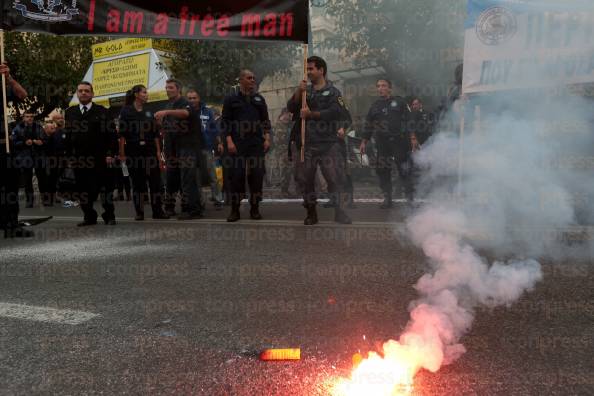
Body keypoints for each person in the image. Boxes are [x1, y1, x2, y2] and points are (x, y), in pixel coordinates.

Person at [287, 56, 352, 225]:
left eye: (311, 69)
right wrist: (298, 92)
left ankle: (339, 212)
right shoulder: (305, 91)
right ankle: (311, 213)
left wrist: (312, 114)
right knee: (305, 180)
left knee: (334, 179)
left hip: (328, 143)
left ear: (321, 70)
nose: (308, 72)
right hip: (306, 143)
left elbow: (337, 112)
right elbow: (291, 108)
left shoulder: (333, 92)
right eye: (307, 69)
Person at [64, 81, 118, 226]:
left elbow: (112, 134)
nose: (83, 93)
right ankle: (89, 216)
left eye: (86, 91)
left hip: (100, 157)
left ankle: (109, 215)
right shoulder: (70, 112)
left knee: (105, 189)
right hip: (79, 159)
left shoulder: (102, 111)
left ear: (92, 94)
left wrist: (110, 153)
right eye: (80, 91)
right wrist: (68, 156)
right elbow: (68, 135)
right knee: (83, 190)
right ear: (77, 93)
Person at [220, 69, 271, 222]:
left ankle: (254, 209)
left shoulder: (259, 99)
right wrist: (228, 141)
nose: (252, 80)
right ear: (241, 80)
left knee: (257, 174)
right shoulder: (231, 99)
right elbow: (225, 122)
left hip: (256, 142)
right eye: (249, 78)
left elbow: (265, 121)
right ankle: (235, 210)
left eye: (253, 78)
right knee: (236, 175)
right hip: (237, 142)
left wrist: (267, 138)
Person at [359, 78, 413, 208]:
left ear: (390, 88)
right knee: (383, 170)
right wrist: (364, 141)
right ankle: (387, 199)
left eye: (383, 86)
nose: (380, 88)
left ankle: (410, 199)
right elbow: (368, 125)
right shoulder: (375, 105)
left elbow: (409, 121)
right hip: (382, 143)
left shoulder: (400, 102)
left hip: (399, 141)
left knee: (404, 169)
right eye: (378, 86)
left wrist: (413, 138)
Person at [119, 85, 169, 220]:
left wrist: (159, 153)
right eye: (144, 92)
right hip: (133, 150)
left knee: (155, 181)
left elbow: (155, 134)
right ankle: (139, 212)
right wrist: (122, 154)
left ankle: (158, 211)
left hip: (150, 149)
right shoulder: (126, 111)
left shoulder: (149, 110)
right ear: (136, 94)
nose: (147, 94)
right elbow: (122, 134)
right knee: (138, 182)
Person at [156, 78, 203, 220]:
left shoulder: (185, 104)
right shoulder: (169, 104)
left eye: (170, 87)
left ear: (178, 89)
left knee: (188, 180)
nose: (167, 89)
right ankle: (172, 208)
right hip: (172, 150)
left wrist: (166, 112)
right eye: (166, 87)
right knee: (172, 179)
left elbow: (185, 114)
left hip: (187, 147)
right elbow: (165, 129)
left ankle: (194, 210)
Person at [0, 62, 30, 237]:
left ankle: (12, 225)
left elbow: (23, 94)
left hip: (5, 145)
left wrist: (8, 78)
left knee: (10, 187)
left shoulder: (3, 90)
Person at [186, 89, 223, 209]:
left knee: (212, 176)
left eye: (194, 97)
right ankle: (200, 202)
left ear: (199, 98)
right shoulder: (185, 111)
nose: (192, 100)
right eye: (190, 98)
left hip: (206, 148)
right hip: (191, 149)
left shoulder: (207, 111)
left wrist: (219, 143)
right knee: (196, 178)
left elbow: (214, 129)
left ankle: (218, 200)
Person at [10, 109, 44, 208]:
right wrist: (24, 143)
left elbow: (44, 139)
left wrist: (40, 142)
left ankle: (45, 199)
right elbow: (13, 143)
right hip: (25, 157)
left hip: (38, 156)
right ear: (23, 117)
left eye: (31, 116)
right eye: (27, 116)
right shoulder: (17, 128)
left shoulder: (38, 127)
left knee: (42, 178)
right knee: (28, 180)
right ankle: (30, 201)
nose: (30, 118)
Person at [37, 119, 65, 206]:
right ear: (46, 129)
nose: (54, 130)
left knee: (53, 179)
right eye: (52, 128)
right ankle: (45, 199)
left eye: (54, 128)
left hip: (53, 161)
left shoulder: (56, 136)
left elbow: (59, 148)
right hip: (42, 162)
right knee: (43, 180)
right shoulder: (40, 136)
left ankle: (52, 198)